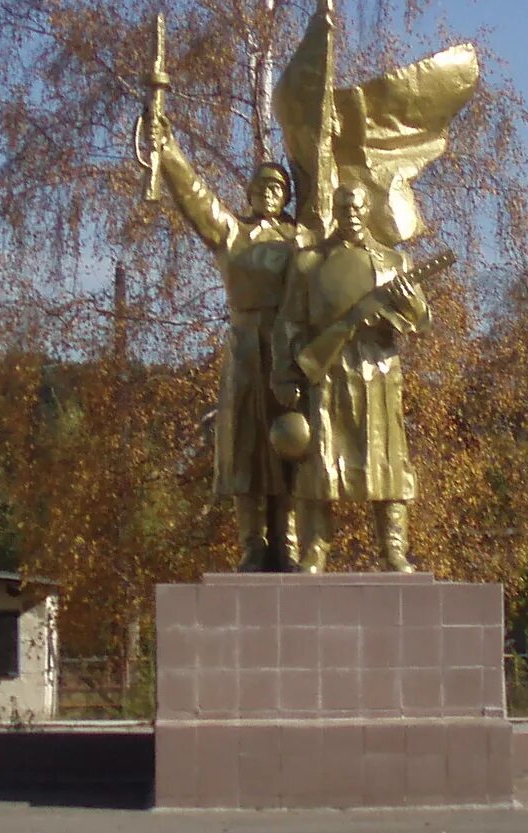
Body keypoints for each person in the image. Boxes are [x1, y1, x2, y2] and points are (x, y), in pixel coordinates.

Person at [150, 122, 308, 569]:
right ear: (251, 194)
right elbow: (197, 198)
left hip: (287, 350)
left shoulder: (300, 240)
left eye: (279, 188)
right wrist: (169, 149)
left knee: (290, 443)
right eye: (262, 187)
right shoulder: (232, 235)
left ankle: (288, 542)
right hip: (243, 349)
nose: (270, 194)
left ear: (287, 197)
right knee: (245, 445)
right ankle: (253, 545)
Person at [285, 182, 432, 572]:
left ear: (368, 210)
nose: (350, 212)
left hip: (378, 369)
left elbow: (422, 319)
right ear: (334, 209)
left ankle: (393, 548)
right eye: (343, 206)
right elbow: (290, 322)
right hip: (328, 372)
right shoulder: (310, 262)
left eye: (357, 206)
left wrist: (406, 303)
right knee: (320, 460)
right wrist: (287, 373)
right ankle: (315, 548)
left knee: (387, 461)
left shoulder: (393, 262)